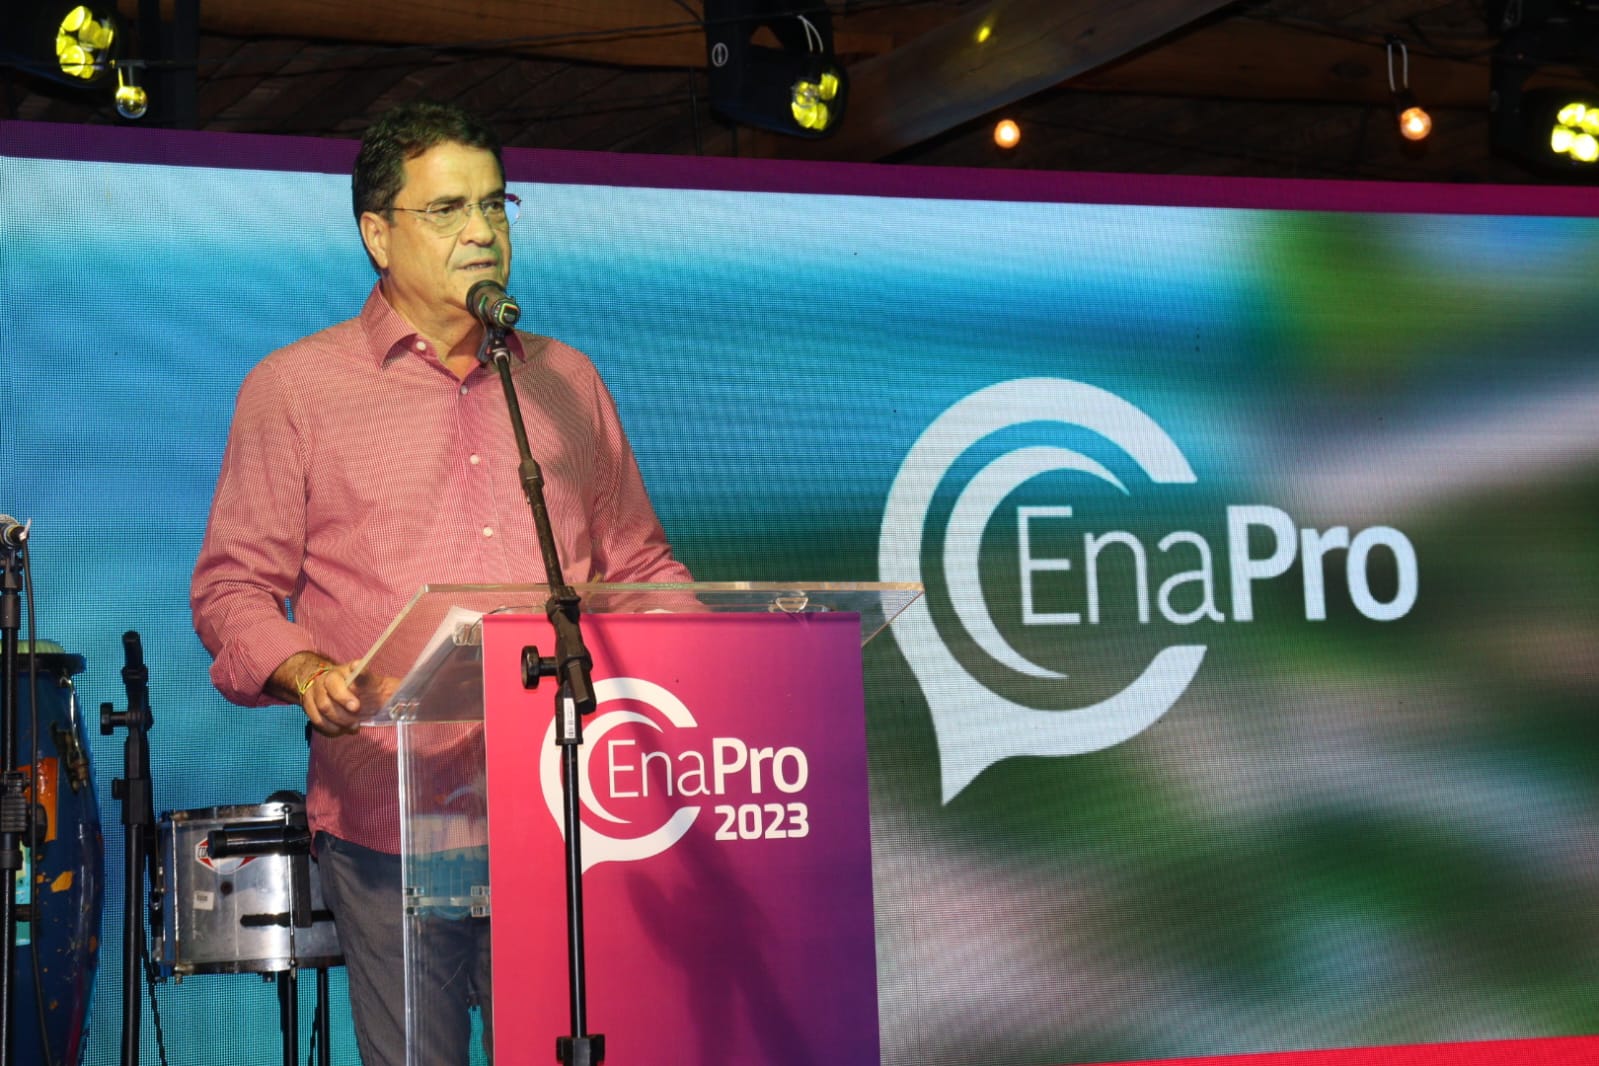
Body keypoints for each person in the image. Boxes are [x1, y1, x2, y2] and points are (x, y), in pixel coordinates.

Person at [191, 100, 691, 1065]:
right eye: (447, 209)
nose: (481, 231)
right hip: (392, 820)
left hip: (568, 811)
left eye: (495, 205)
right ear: (377, 234)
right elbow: (230, 591)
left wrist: (732, 668)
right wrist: (306, 672)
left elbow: (637, 567)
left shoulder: (565, 380)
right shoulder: (296, 388)